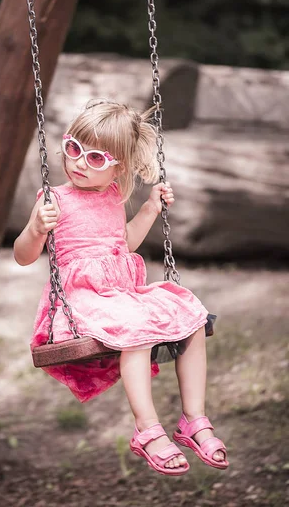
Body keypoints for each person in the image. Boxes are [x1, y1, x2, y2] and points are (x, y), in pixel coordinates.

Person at [14, 100, 228, 476]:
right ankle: (147, 429)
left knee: (191, 314)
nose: (80, 162)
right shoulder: (55, 199)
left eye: (96, 158)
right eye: (74, 149)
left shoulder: (114, 196)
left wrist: (149, 210)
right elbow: (23, 256)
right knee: (138, 329)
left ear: (119, 167)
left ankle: (193, 419)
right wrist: (35, 229)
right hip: (79, 302)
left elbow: (122, 244)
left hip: (119, 294)